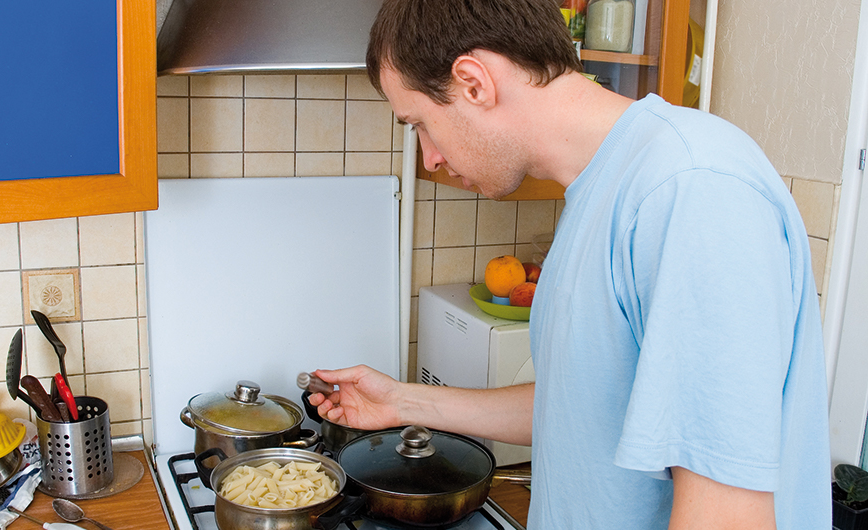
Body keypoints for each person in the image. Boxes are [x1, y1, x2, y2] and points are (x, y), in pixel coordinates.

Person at [307, 0, 831, 527]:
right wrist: (402, 403)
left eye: (419, 123)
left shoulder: (691, 190)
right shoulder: (598, 192)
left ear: (473, 83)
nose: (430, 158)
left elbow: (727, 514)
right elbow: (581, 404)